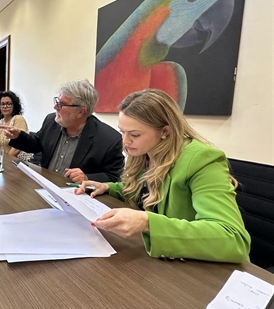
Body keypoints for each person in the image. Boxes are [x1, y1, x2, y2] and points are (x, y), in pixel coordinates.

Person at [76, 88, 251, 263]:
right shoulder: (146, 152)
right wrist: (108, 187)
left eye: (135, 134)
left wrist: (147, 223)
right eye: (122, 131)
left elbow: (233, 238)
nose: (125, 141)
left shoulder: (202, 160)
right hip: (157, 261)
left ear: (165, 131)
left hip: (198, 270)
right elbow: (147, 190)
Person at [0, 79, 124, 183]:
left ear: (81, 111)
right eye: (57, 101)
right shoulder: (51, 121)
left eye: (61, 104)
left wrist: (87, 178)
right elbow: (36, 143)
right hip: (45, 187)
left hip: (76, 197)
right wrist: (18, 136)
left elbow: (114, 177)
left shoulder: (109, 139)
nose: (55, 107)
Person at [0, 91, 30, 158]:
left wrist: (5, 161)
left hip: (17, 162)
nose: (5, 107)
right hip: (3, 160)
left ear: (14, 106)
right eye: (2, 104)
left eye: (8, 104)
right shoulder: (1, 122)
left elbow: (16, 148)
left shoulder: (18, 119)